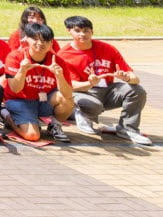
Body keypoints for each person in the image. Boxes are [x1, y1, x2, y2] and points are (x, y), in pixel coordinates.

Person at [57, 16, 150, 145]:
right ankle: (79, 112)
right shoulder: (64, 55)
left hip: (107, 90)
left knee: (137, 91)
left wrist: (127, 78)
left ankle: (127, 129)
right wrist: (90, 83)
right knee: (93, 105)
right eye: (77, 30)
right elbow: (69, 86)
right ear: (69, 31)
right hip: (83, 92)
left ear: (92, 32)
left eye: (86, 31)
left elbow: (135, 79)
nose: (82, 34)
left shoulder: (107, 49)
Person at [2, 23, 74, 142]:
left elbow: (67, 95)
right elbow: (15, 89)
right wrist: (22, 70)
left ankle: (54, 125)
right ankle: (6, 116)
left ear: (51, 43)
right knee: (33, 136)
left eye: (45, 40)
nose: (40, 43)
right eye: (35, 39)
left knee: (67, 100)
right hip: (20, 100)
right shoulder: (15, 57)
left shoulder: (57, 61)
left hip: (43, 101)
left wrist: (59, 76)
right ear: (27, 39)